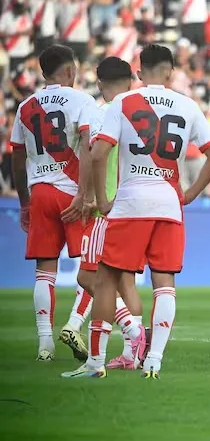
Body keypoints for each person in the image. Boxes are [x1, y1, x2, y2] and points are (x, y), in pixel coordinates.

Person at [61, 44, 210, 379]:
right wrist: (190, 193)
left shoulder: (124, 102)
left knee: (106, 280)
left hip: (130, 202)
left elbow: (98, 153)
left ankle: (95, 363)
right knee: (164, 283)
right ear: (171, 71)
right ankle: (153, 361)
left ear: (139, 72)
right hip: (169, 204)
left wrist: (103, 199)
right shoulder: (188, 105)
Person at [10, 44, 97, 362]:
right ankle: (74, 325)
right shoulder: (83, 101)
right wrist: (84, 194)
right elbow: (88, 148)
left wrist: (25, 202)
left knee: (44, 271)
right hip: (73, 193)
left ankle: (44, 345)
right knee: (92, 266)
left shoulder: (25, 106)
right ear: (71, 70)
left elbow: (17, 159)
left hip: (41, 193)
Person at [62, 57, 149, 370]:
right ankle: (131, 353)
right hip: (138, 205)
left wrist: (89, 197)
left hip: (108, 206)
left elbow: (94, 156)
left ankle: (134, 333)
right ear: (131, 80)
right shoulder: (143, 114)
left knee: (90, 277)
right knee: (125, 281)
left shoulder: (103, 113)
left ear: (99, 83)